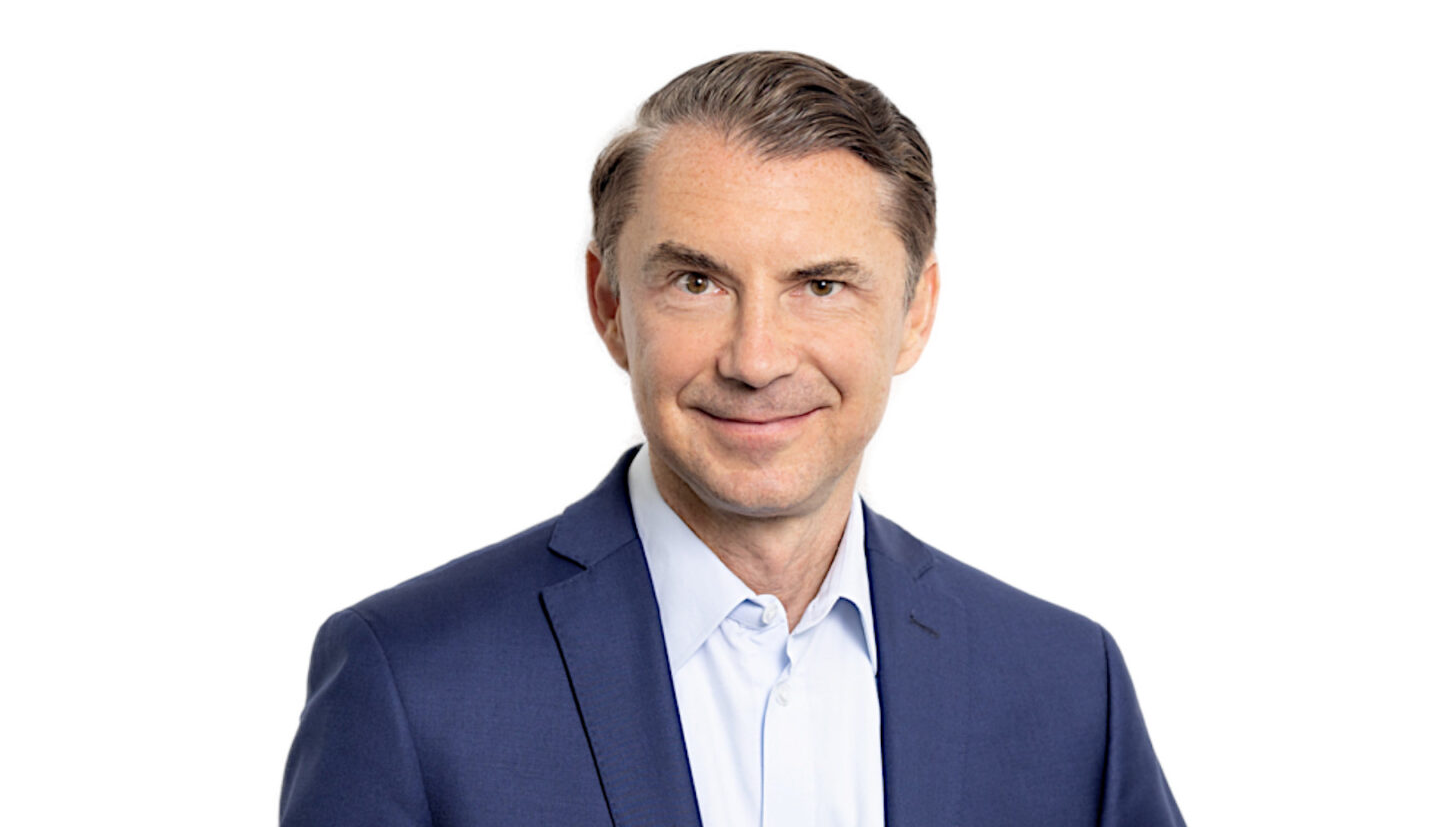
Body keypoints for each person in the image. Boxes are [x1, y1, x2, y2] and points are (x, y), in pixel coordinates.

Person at [280, 51, 1185, 827]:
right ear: (609, 305)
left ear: (916, 315)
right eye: (696, 282)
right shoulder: (409, 681)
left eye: (821, 286)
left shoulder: (1070, 690)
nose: (756, 359)